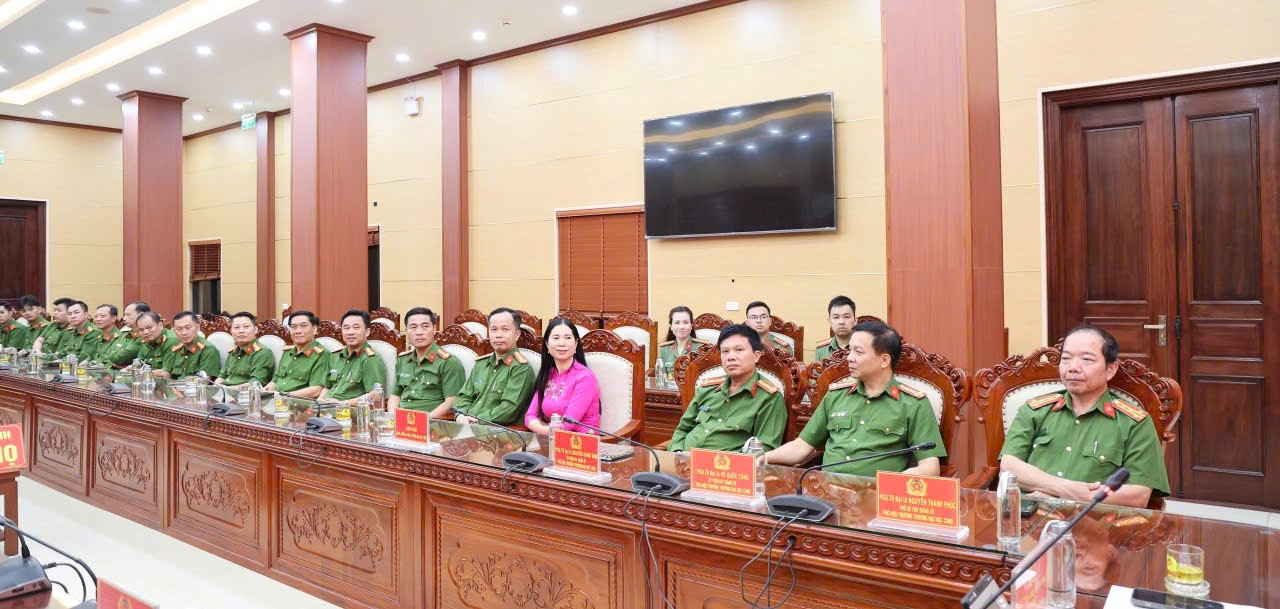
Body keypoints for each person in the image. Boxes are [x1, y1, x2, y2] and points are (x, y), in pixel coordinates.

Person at [999, 324, 1170, 509]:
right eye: (1066, 359)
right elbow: (1008, 467)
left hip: (1095, 521)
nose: (1073, 367)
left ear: (1110, 369)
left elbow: (1138, 495)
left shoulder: (1134, 423)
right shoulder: (1034, 410)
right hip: (1029, 517)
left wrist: (1070, 498)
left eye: (1087, 359)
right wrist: (1064, 489)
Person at [766, 320, 946, 476]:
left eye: (858, 352)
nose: (849, 358)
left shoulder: (913, 403)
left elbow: (930, 467)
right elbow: (801, 447)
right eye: (850, 350)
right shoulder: (836, 395)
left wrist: (891, 486)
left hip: (874, 495)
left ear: (884, 360)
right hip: (828, 491)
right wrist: (763, 457)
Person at [667, 323, 787, 452]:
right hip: (683, 459)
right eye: (725, 351)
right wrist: (677, 453)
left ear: (756, 356)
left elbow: (764, 449)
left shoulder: (769, 398)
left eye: (739, 350)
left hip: (725, 464)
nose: (730, 357)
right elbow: (683, 429)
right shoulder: (707, 389)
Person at [453, 307, 535, 426]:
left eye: (505, 329)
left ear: (517, 334)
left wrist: (476, 420)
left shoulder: (520, 368)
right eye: (494, 329)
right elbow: (464, 396)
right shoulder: (481, 364)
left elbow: (508, 410)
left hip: (497, 431)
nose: (498, 335)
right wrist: (460, 416)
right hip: (468, 426)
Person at [524, 317, 601, 435]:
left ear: (576, 344)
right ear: (547, 344)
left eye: (568, 338)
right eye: (556, 338)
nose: (561, 343)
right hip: (550, 438)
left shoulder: (585, 378)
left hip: (580, 441)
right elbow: (529, 416)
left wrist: (544, 428)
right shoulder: (548, 374)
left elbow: (568, 424)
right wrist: (546, 430)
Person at [389, 307, 465, 418]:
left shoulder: (449, 362)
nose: (419, 332)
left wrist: (423, 421)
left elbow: (452, 402)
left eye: (425, 326)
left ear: (434, 329)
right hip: (402, 421)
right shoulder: (403, 360)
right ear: (407, 331)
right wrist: (393, 416)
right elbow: (395, 395)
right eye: (413, 327)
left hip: (433, 422)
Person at [318, 309, 387, 407]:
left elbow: (375, 395)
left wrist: (343, 404)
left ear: (367, 332)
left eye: (356, 328)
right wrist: (320, 400)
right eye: (346, 328)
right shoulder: (334, 356)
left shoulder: (370, 359)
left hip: (349, 410)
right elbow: (327, 387)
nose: (350, 332)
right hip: (326, 407)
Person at [265, 310, 329, 399]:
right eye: (294, 327)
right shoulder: (287, 352)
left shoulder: (322, 355)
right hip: (277, 399)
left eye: (304, 326)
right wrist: (264, 391)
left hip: (299, 403)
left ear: (314, 329)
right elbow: (275, 381)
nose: (298, 331)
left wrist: (284, 395)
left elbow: (317, 389)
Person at [216, 312, 275, 387]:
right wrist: (216, 387)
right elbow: (222, 376)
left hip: (244, 393)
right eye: (237, 327)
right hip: (225, 391)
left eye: (246, 327)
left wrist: (228, 390)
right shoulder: (233, 351)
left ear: (256, 329)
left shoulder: (262, 353)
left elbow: (255, 383)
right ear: (231, 331)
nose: (241, 331)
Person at [158, 311, 220, 379]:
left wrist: (183, 382)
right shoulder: (175, 349)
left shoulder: (207, 349)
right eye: (179, 329)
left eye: (188, 328)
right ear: (174, 331)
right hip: (174, 385)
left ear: (198, 327)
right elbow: (167, 373)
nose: (184, 333)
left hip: (193, 386)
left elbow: (205, 379)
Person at [656, 306, 710, 376]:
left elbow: (706, 375)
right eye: (677, 322)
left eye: (686, 322)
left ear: (691, 325)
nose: (681, 327)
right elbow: (661, 376)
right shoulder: (665, 349)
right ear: (671, 326)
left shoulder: (702, 347)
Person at [814, 295, 856, 361]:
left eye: (847, 317)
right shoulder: (821, 350)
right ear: (829, 321)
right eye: (836, 317)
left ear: (855, 320)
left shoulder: (863, 347)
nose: (841, 322)